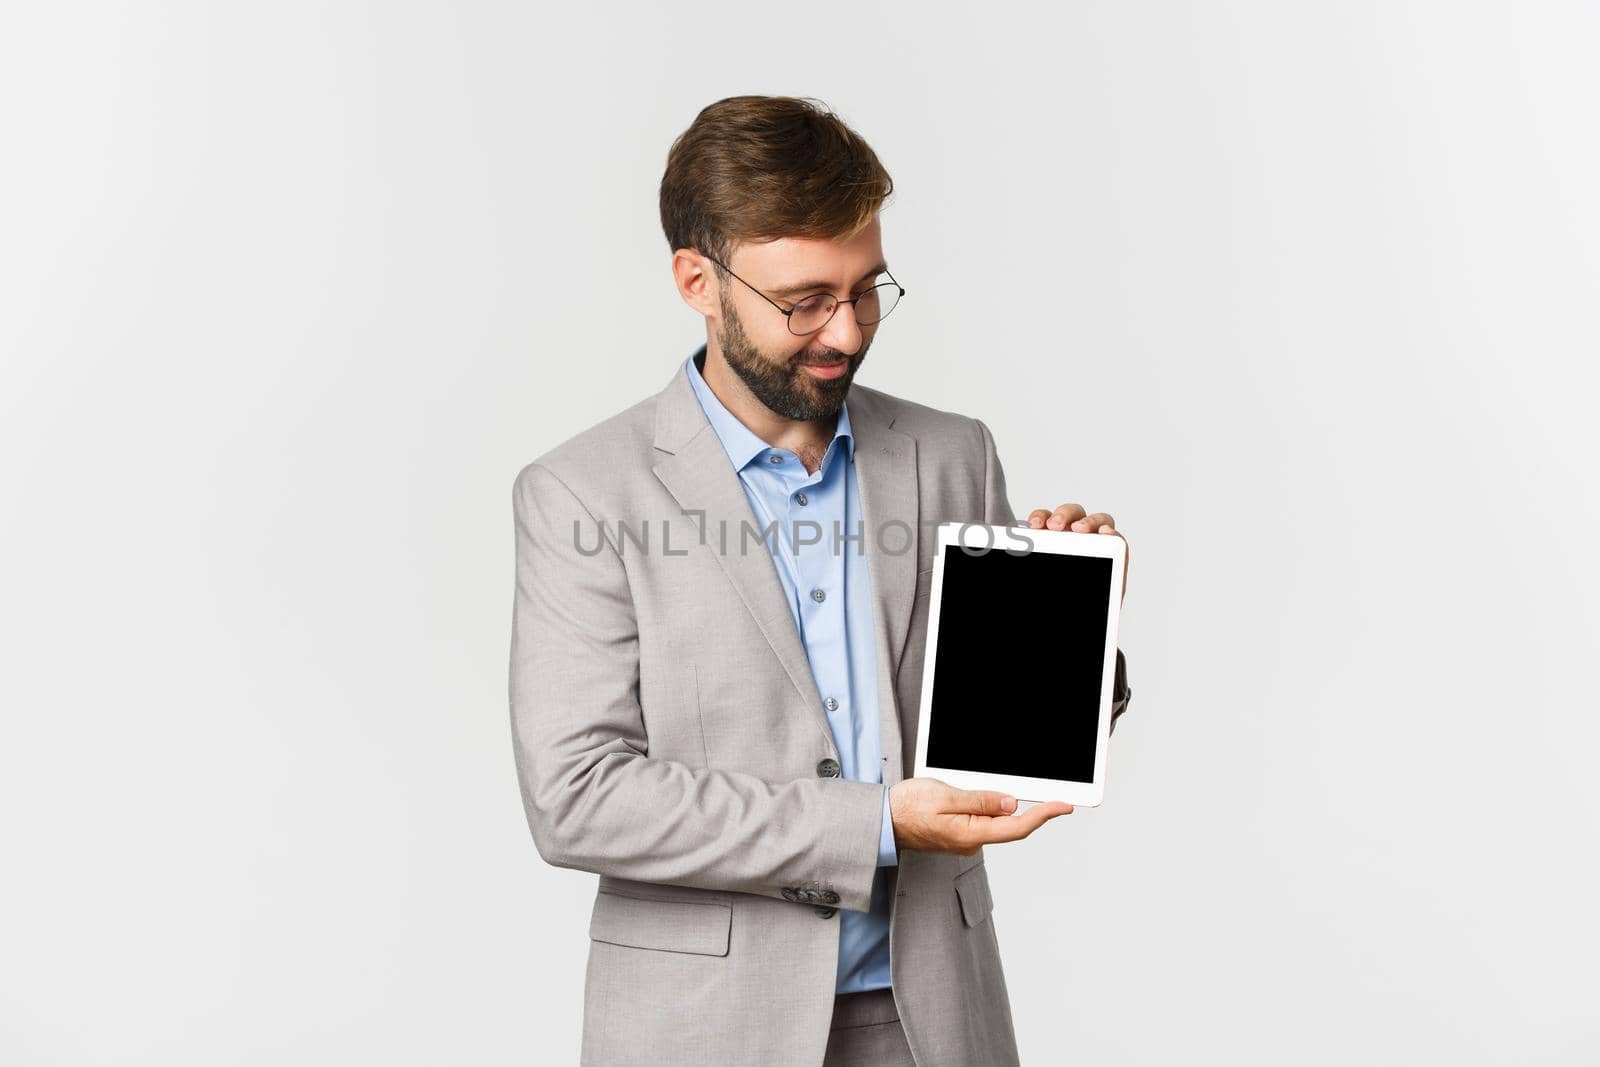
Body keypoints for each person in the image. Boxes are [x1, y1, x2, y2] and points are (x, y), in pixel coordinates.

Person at [508, 94, 1133, 1067]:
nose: (845, 331)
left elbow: (990, 734)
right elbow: (581, 794)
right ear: (696, 280)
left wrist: (1072, 625)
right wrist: (874, 823)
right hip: (704, 1024)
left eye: (867, 288)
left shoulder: (948, 451)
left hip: (932, 1013)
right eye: (802, 301)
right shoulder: (582, 493)